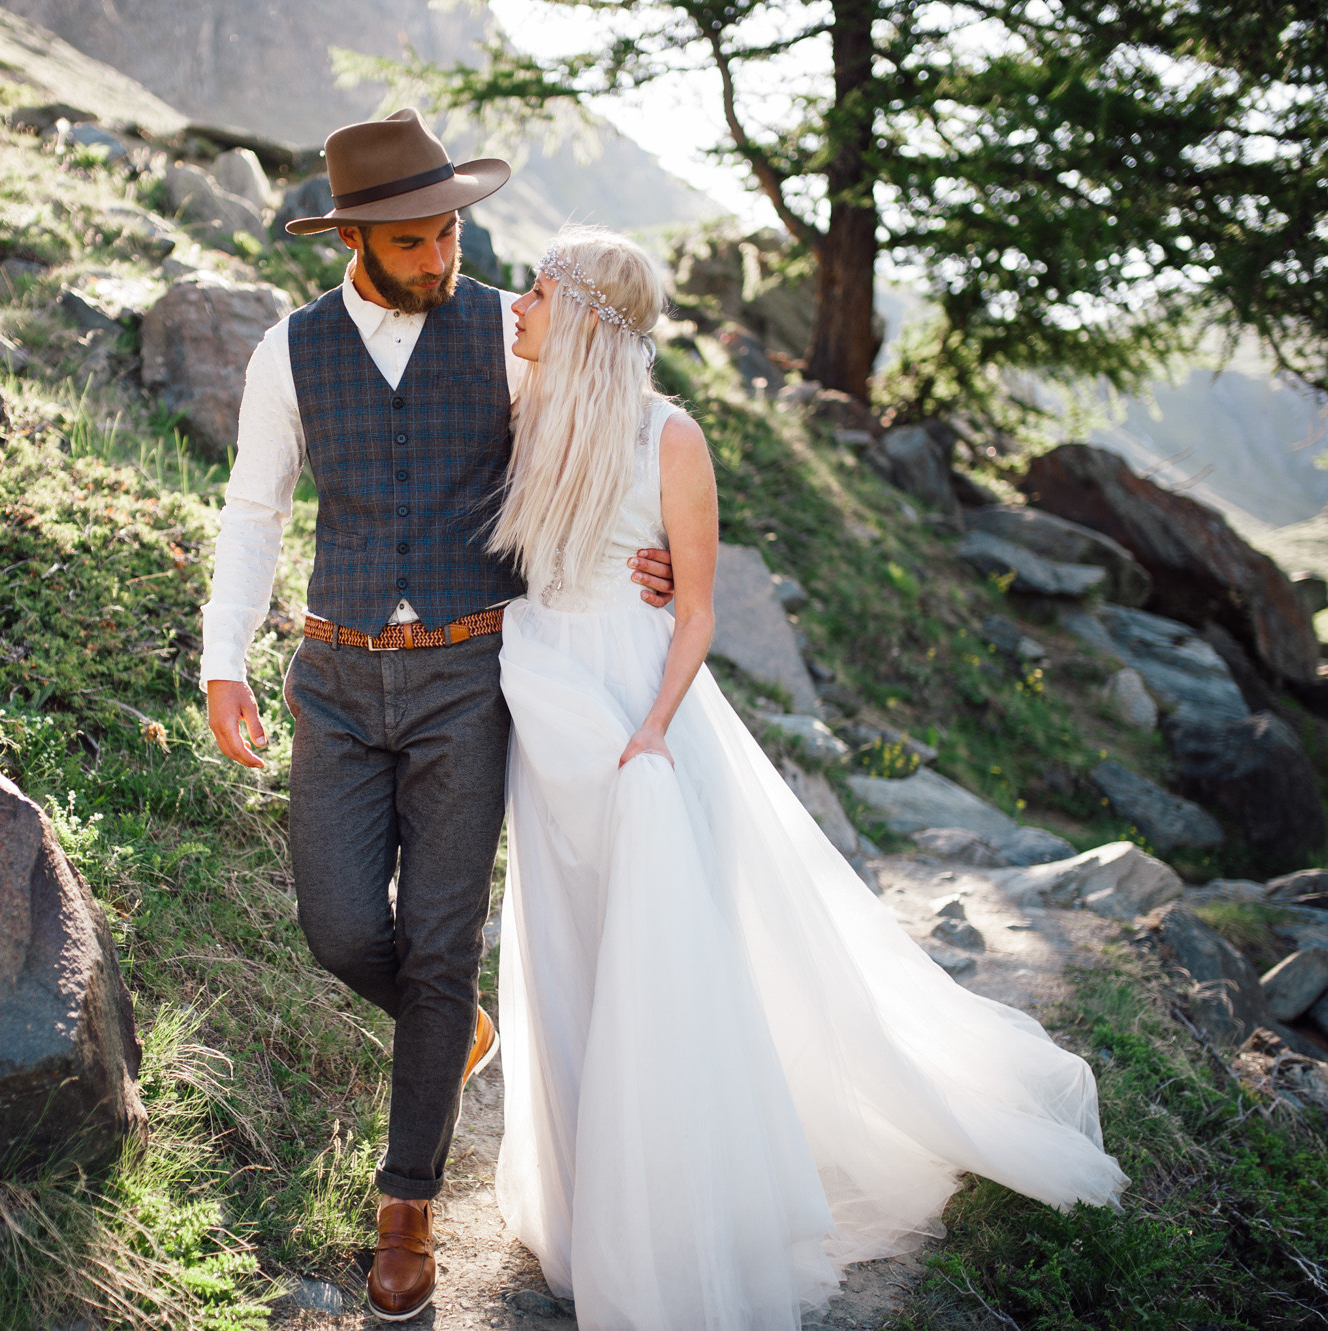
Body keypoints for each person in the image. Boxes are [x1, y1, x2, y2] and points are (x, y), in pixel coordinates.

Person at [489, 225, 1128, 1330]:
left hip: (637, 712)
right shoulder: (526, 397)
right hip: (543, 697)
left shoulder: (669, 435)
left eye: (537, 286)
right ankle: (581, 1187)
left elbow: (693, 607)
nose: (515, 300)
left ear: (586, 314)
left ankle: (665, 1212)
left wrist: (651, 728)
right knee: (562, 943)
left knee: (656, 954)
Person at [198, 112, 675, 1321]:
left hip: (472, 674)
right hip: (336, 679)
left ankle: (404, 1205)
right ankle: (450, 1023)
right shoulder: (285, 351)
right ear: (357, 240)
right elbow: (255, 513)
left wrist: (654, 557)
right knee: (340, 926)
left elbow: (613, 439)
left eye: (450, 229)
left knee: (441, 933)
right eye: (413, 241)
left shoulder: (516, 332)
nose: (441, 256)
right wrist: (225, 659)